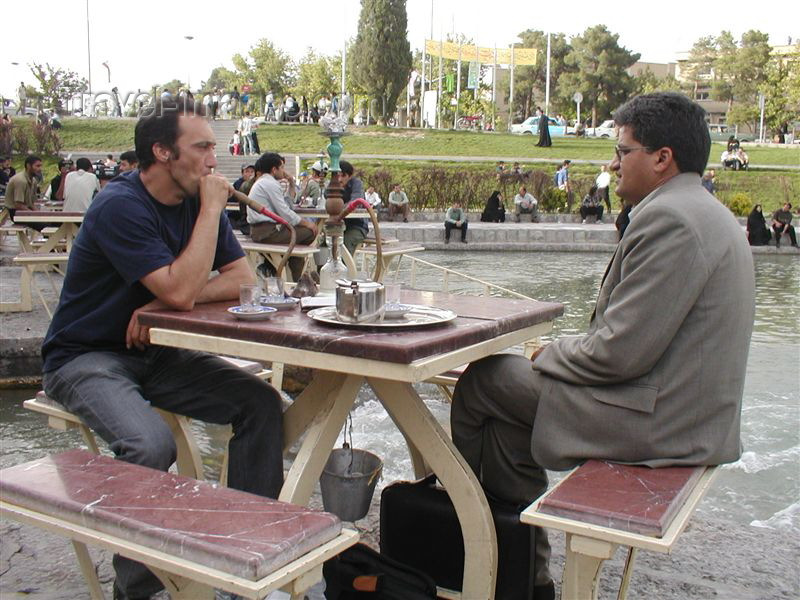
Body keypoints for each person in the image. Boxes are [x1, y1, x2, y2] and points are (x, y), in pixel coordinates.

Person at [451, 92, 755, 599]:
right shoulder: (703, 210)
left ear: (662, 159)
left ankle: (461, 519)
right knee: (506, 425)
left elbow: (619, 353)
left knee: (487, 381)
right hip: (683, 408)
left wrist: (551, 353)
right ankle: (521, 574)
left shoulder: (671, 220)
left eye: (622, 150)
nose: (611, 164)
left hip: (664, 422)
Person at [41, 98, 283, 599]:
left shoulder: (197, 201)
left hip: (156, 351)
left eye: (214, 146)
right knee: (150, 444)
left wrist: (154, 302)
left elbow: (240, 280)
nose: (215, 160)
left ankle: (248, 554)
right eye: (202, 147)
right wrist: (175, 286)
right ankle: (138, 590)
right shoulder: (120, 205)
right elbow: (182, 291)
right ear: (162, 152)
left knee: (260, 404)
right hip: (84, 356)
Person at [247, 153, 318, 281]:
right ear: (274, 169)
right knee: (310, 232)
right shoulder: (270, 184)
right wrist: (307, 223)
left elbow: (287, 205)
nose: (284, 171)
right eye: (282, 167)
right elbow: (285, 212)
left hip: (259, 230)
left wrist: (291, 183)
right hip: (267, 232)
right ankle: (295, 278)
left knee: (296, 242)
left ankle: (287, 273)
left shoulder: (264, 182)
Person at [339, 160, 369, 257]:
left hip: (357, 226)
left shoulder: (357, 184)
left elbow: (355, 201)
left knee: (346, 242)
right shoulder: (334, 185)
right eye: (336, 176)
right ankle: (320, 269)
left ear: (350, 175)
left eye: (343, 176)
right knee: (324, 241)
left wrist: (339, 206)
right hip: (339, 226)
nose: (339, 179)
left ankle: (345, 270)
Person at [4, 155, 42, 221]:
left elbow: (31, 204)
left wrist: (40, 214)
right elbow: (18, 205)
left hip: (25, 211)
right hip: (16, 214)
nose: (40, 169)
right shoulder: (21, 180)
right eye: (37, 166)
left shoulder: (34, 181)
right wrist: (33, 214)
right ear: (28, 166)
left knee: (52, 222)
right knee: (47, 225)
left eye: (40, 166)